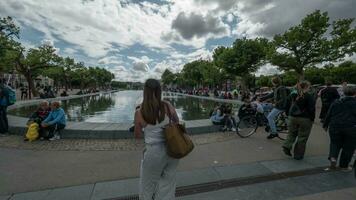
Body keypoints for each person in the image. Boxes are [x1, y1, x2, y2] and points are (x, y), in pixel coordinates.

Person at [134, 79, 179, 200]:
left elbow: (137, 135)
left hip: (153, 152)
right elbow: (177, 121)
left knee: (147, 186)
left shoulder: (140, 111)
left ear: (145, 92)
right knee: (168, 185)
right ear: (159, 91)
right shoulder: (167, 105)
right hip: (172, 149)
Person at [323, 86, 356, 171]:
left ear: (344, 93)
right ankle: (344, 166)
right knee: (348, 147)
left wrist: (325, 125)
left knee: (334, 143)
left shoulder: (336, 102)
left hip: (335, 126)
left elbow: (329, 114)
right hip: (350, 127)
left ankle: (333, 157)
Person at [282, 81, 315, 160]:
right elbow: (311, 109)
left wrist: (287, 114)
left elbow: (286, 104)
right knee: (302, 137)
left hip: (292, 117)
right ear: (306, 87)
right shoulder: (309, 96)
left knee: (291, 133)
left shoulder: (292, 94)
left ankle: (287, 146)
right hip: (305, 118)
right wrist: (312, 119)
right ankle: (298, 155)